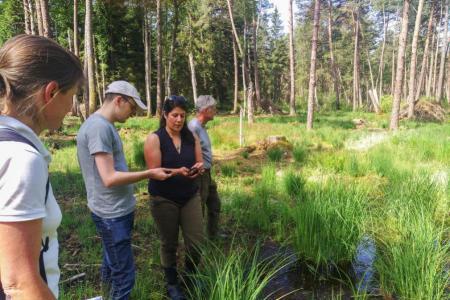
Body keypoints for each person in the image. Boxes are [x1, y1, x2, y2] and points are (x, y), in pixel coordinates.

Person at [0, 34, 83, 299]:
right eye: (72, 95)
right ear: (50, 92)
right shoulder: (22, 159)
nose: (71, 108)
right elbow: (18, 283)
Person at [76, 81, 171, 300]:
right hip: (112, 214)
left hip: (114, 211)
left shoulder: (101, 125)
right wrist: (149, 173)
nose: (133, 113)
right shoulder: (99, 128)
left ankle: (105, 295)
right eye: (132, 107)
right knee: (125, 277)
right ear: (119, 100)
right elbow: (109, 178)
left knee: (112, 263)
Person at [144, 95, 204, 300]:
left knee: (196, 242)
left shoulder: (191, 137)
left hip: (189, 196)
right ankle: (171, 283)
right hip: (164, 198)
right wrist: (178, 171)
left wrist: (198, 168)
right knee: (169, 243)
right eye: (174, 115)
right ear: (164, 115)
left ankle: (191, 275)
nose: (179, 120)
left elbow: (200, 162)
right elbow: (154, 171)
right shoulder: (155, 138)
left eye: (182, 116)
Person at [188, 95, 222, 239]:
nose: (215, 111)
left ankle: (213, 235)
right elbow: (188, 153)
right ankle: (196, 240)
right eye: (213, 108)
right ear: (206, 110)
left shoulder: (201, 126)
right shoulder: (193, 127)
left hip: (207, 173)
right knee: (199, 207)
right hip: (199, 175)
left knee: (214, 204)